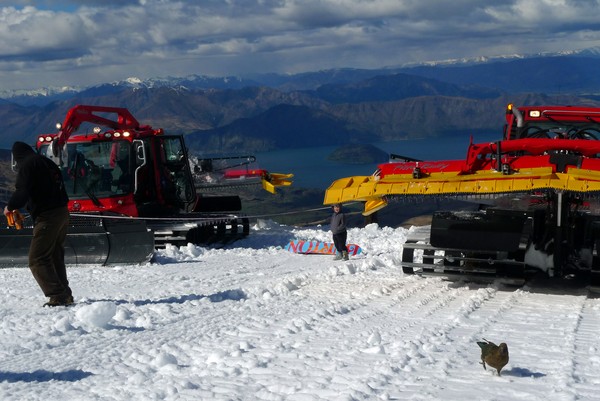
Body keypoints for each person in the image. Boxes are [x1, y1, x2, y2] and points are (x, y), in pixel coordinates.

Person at [3, 141, 73, 307]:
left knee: (37, 258)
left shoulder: (28, 165)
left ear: (17, 156)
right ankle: (65, 294)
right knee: (55, 255)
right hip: (62, 212)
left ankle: (58, 295)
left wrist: (10, 206)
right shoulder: (46, 161)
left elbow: (22, 191)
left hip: (47, 216)